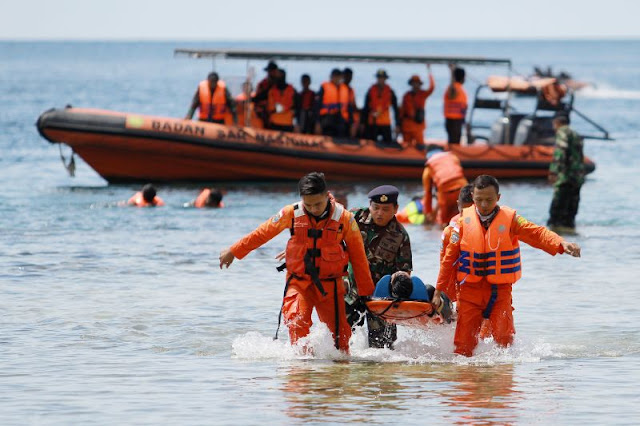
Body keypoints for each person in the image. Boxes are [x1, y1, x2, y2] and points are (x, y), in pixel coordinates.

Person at [218, 172, 374, 353]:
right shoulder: (290, 213)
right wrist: (234, 251)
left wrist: (366, 293)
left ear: (327, 195)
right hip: (298, 282)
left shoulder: (345, 219)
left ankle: (337, 377)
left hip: (330, 285)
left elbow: (358, 257)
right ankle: (299, 374)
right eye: (309, 204)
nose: (314, 209)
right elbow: (262, 233)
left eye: (318, 204)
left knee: (340, 340)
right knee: (296, 321)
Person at [433, 175, 581, 357]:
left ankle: (502, 381)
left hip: (500, 291)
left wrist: (560, 243)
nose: (484, 205)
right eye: (479, 200)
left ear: (498, 198)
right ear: (472, 197)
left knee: (505, 343)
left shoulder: (511, 220)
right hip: (470, 292)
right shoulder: (462, 224)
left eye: (489, 199)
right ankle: (468, 381)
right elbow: (448, 259)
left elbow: (536, 233)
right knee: (463, 349)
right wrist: (439, 291)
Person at [345, 185, 412, 349]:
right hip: (351, 289)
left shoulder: (400, 235)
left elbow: (405, 269)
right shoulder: (354, 216)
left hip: (380, 297)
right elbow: (329, 233)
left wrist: (401, 277)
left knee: (382, 350)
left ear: (396, 208)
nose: (379, 213)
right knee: (338, 340)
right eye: (376, 208)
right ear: (370, 205)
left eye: (385, 209)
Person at [548, 113, 584, 231]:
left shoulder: (562, 132)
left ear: (557, 123)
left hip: (565, 176)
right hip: (577, 176)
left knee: (558, 206)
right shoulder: (576, 134)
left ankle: (555, 230)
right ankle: (570, 227)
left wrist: (554, 172)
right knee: (572, 205)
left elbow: (561, 151)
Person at [438, 183, 474, 304]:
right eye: (464, 212)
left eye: (471, 212)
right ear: (458, 204)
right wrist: (442, 292)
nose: (466, 217)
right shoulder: (451, 229)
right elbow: (445, 261)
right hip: (462, 280)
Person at [422, 145, 469, 226]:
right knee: (468, 219)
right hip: (464, 189)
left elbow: (428, 194)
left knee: (444, 224)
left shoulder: (428, 168)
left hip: (446, 193)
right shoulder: (453, 157)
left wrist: (428, 214)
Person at [361, 69, 401, 146]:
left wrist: (397, 124)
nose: (381, 79)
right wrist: (363, 123)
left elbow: (395, 109)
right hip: (372, 122)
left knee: (388, 144)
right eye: (379, 77)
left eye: (382, 78)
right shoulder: (370, 91)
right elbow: (365, 108)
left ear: (385, 79)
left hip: (385, 123)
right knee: (370, 143)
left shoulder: (390, 92)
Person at [400, 65, 435, 148]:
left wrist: (429, 72)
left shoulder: (423, 94)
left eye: (417, 83)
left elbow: (432, 87)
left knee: (421, 147)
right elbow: (401, 111)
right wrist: (399, 125)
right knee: (406, 148)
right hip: (407, 126)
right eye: (414, 83)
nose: (416, 85)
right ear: (411, 84)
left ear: (420, 84)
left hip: (418, 127)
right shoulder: (406, 96)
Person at [314, 69, 350, 137]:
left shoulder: (345, 89)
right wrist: (317, 122)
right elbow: (317, 106)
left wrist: (352, 123)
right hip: (327, 120)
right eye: (335, 76)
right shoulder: (324, 87)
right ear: (331, 77)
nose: (337, 79)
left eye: (339, 77)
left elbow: (349, 108)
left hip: (341, 121)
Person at [443, 64, 468, 144]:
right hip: (453, 121)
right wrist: (452, 72)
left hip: (458, 121)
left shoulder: (459, 88)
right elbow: (452, 90)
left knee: (456, 141)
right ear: (462, 77)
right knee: (453, 142)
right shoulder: (454, 88)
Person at [253, 60, 280, 128]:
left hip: (277, 115)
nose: (271, 73)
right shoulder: (262, 84)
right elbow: (257, 98)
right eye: (270, 71)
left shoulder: (280, 84)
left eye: (273, 71)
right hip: (264, 114)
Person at [342, 67, 360, 138]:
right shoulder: (339, 88)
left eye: (350, 76)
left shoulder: (351, 90)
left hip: (349, 120)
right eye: (347, 76)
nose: (349, 78)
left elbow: (353, 106)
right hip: (340, 119)